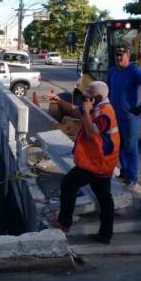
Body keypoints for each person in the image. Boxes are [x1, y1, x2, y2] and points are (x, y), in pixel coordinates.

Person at [49, 81, 120, 244]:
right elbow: (75, 111)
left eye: (88, 93)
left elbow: (90, 133)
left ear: (98, 97)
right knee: (104, 197)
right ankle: (105, 234)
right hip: (100, 162)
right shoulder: (96, 108)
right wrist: (59, 101)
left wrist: (87, 112)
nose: (85, 96)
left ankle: (64, 222)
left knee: (69, 184)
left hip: (98, 163)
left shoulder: (105, 113)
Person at [107, 44, 141, 188]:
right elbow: (108, 89)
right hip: (115, 116)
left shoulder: (134, 71)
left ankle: (132, 178)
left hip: (130, 117)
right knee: (118, 145)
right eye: (117, 55)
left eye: (122, 55)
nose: (118, 58)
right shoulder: (112, 71)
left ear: (128, 56)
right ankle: (125, 171)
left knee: (131, 147)